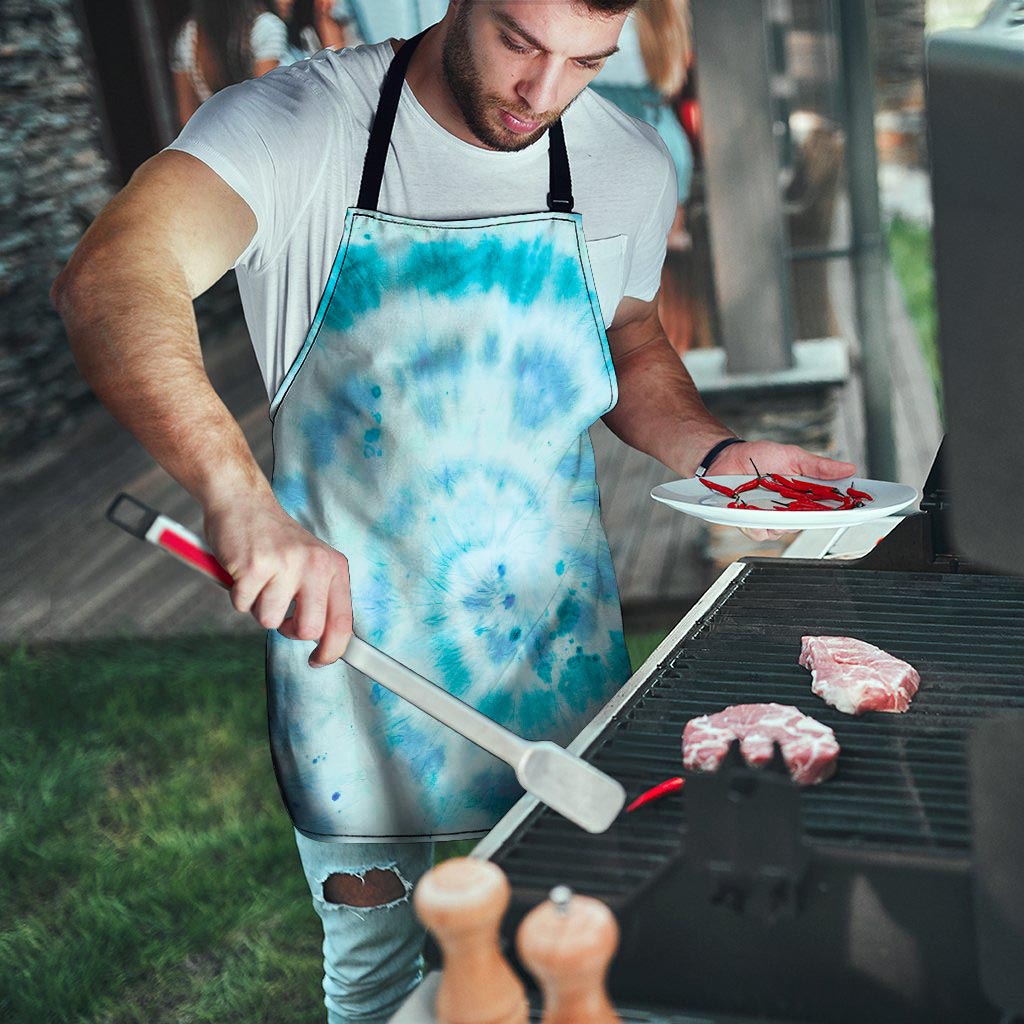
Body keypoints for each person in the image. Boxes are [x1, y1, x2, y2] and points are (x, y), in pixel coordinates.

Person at [53, 2, 856, 1020]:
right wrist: (238, 496)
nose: (543, 93)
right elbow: (112, 275)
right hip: (351, 657)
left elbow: (630, 333)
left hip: (553, 641)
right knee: (379, 979)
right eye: (521, 42)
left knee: (580, 950)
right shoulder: (300, 125)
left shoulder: (623, 159)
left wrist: (717, 449)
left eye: (586, 62)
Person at [171, 0, 289, 126]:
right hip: (263, 135)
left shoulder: (187, 35)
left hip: (215, 137)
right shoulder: (265, 27)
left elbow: (187, 117)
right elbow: (266, 104)